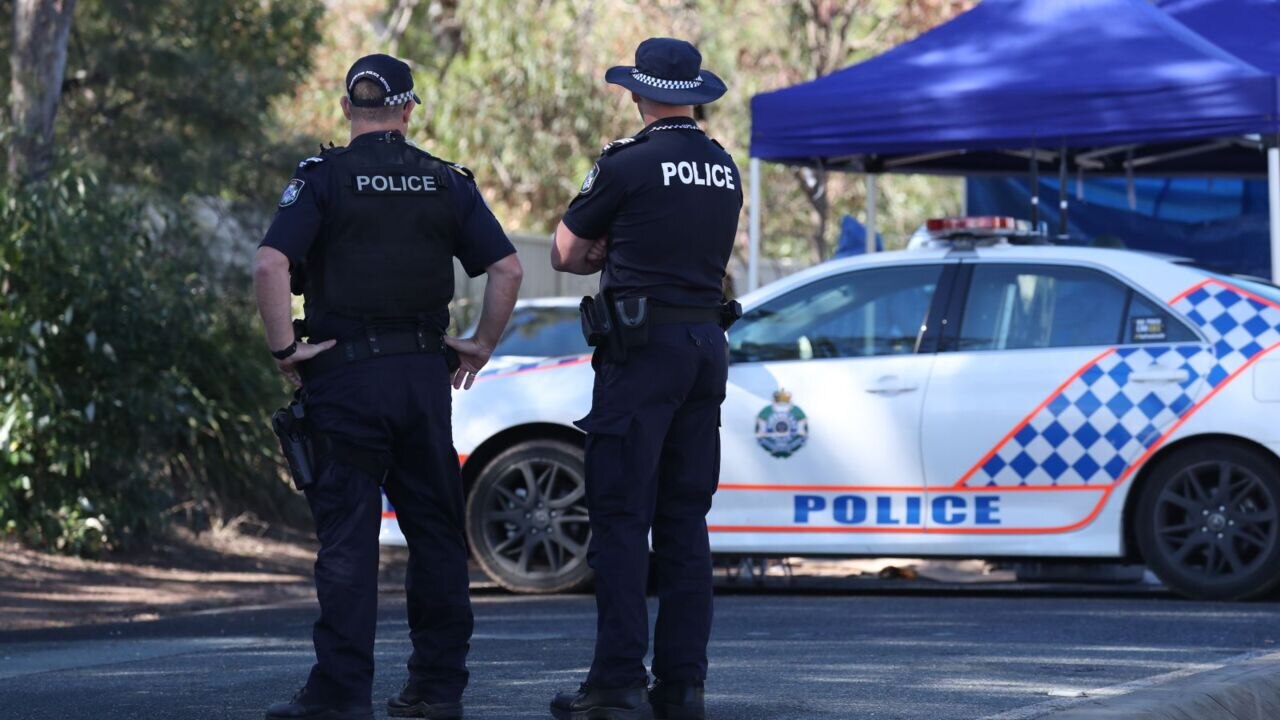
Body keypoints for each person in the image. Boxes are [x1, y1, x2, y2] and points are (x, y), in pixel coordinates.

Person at [252, 53, 522, 720]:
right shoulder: (443, 181)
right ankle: (437, 690)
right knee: (433, 533)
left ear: (348, 109)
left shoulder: (323, 179)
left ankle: (341, 695)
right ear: (408, 109)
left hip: (345, 378)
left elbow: (269, 263)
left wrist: (285, 348)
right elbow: (509, 268)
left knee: (348, 539)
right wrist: (481, 346)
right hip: (424, 380)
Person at [548, 37, 741, 720]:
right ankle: (683, 686)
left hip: (642, 349)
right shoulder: (724, 168)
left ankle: (616, 685)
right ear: (693, 94)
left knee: (622, 518)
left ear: (639, 93)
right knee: (686, 521)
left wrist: (611, 245)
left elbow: (566, 251)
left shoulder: (628, 164)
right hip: (704, 344)